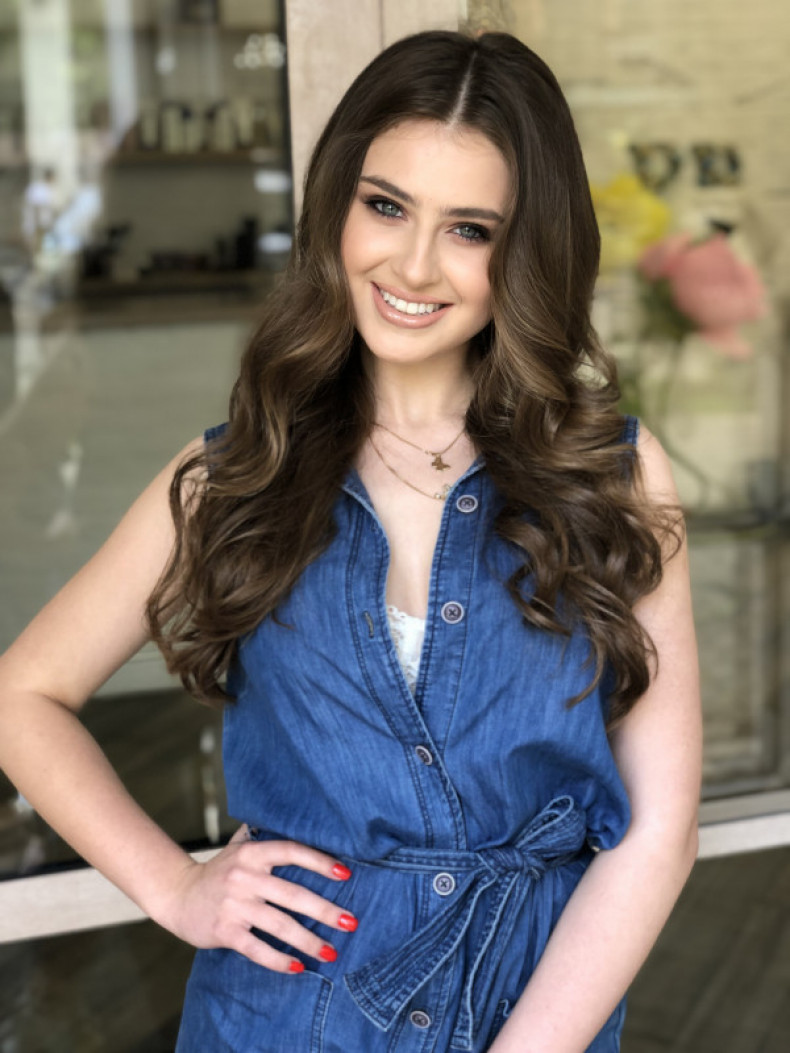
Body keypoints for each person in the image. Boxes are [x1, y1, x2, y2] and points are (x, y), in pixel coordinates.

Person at [0, 29, 701, 1053]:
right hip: (283, 1018)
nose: (412, 264)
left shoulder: (612, 477)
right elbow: (23, 696)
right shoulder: (238, 473)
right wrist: (176, 886)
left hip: (532, 1018)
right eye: (386, 206)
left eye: (470, 229)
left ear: (528, 252)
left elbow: (659, 834)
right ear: (336, 205)